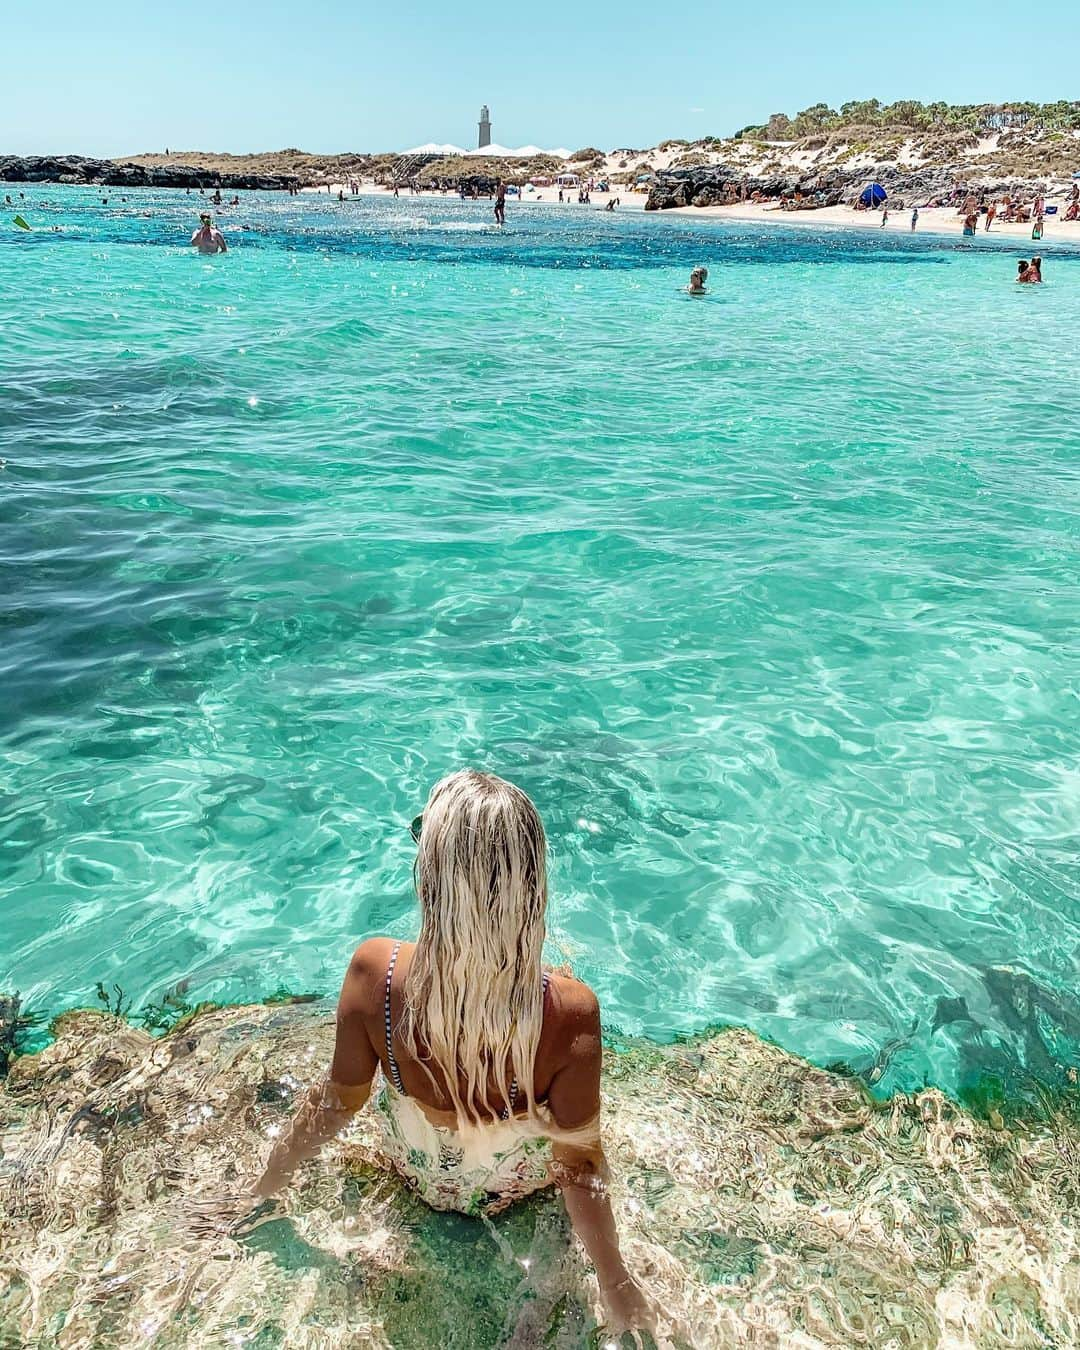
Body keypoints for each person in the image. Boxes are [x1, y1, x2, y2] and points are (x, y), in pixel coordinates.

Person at [242, 771, 652, 1334]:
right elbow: (577, 1164)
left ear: (433, 877)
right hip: (514, 1192)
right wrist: (616, 1283)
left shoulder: (376, 975)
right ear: (531, 885)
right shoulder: (569, 1012)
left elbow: (338, 1102)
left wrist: (263, 1189)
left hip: (418, 1178)